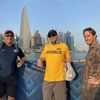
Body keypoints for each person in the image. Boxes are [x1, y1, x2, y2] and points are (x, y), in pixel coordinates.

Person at [37, 29, 71, 100]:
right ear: (48, 38)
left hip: (60, 79)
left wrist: (67, 63)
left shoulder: (64, 46)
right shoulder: (46, 47)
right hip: (47, 80)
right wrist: (40, 60)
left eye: (53, 35)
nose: (51, 37)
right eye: (50, 36)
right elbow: (42, 57)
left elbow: (68, 58)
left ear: (57, 36)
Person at [0, 30, 25, 100]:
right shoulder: (0, 47)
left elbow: (23, 57)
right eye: (7, 35)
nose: (9, 37)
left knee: (11, 98)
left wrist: (22, 61)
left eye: (11, 35)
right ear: (4, 37)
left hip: (12, 78)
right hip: (0, 77)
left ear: (13, 37)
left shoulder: (17, 48)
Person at [81, 27, 100, 100]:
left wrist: (98, 80)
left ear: (94, 36)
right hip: (86, 88)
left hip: (95, 89)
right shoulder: (91, 49)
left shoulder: (98, 48)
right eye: (84, 36)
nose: (86, 38)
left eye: (88, 36)